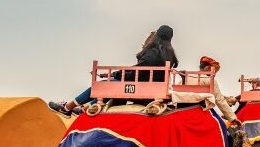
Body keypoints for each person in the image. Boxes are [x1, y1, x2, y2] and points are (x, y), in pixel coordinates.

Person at [49, 25, 177, 114]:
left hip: (140, 88)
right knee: (112, 81)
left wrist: (115, 74)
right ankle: (83, 108)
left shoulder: (152, 53)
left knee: (104, 85)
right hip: (155, 89)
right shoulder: (169, 55)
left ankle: (67, 107)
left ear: (156, 37)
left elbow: (136, 72)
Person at [198, 56, 240, 127]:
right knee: (222, 126)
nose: (215, 74)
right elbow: (219, 100)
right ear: (207, 68)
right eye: (215, 71)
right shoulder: (210, 80)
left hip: (182, 110)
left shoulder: (185, 78)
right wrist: (233, 118)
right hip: (202, 110)